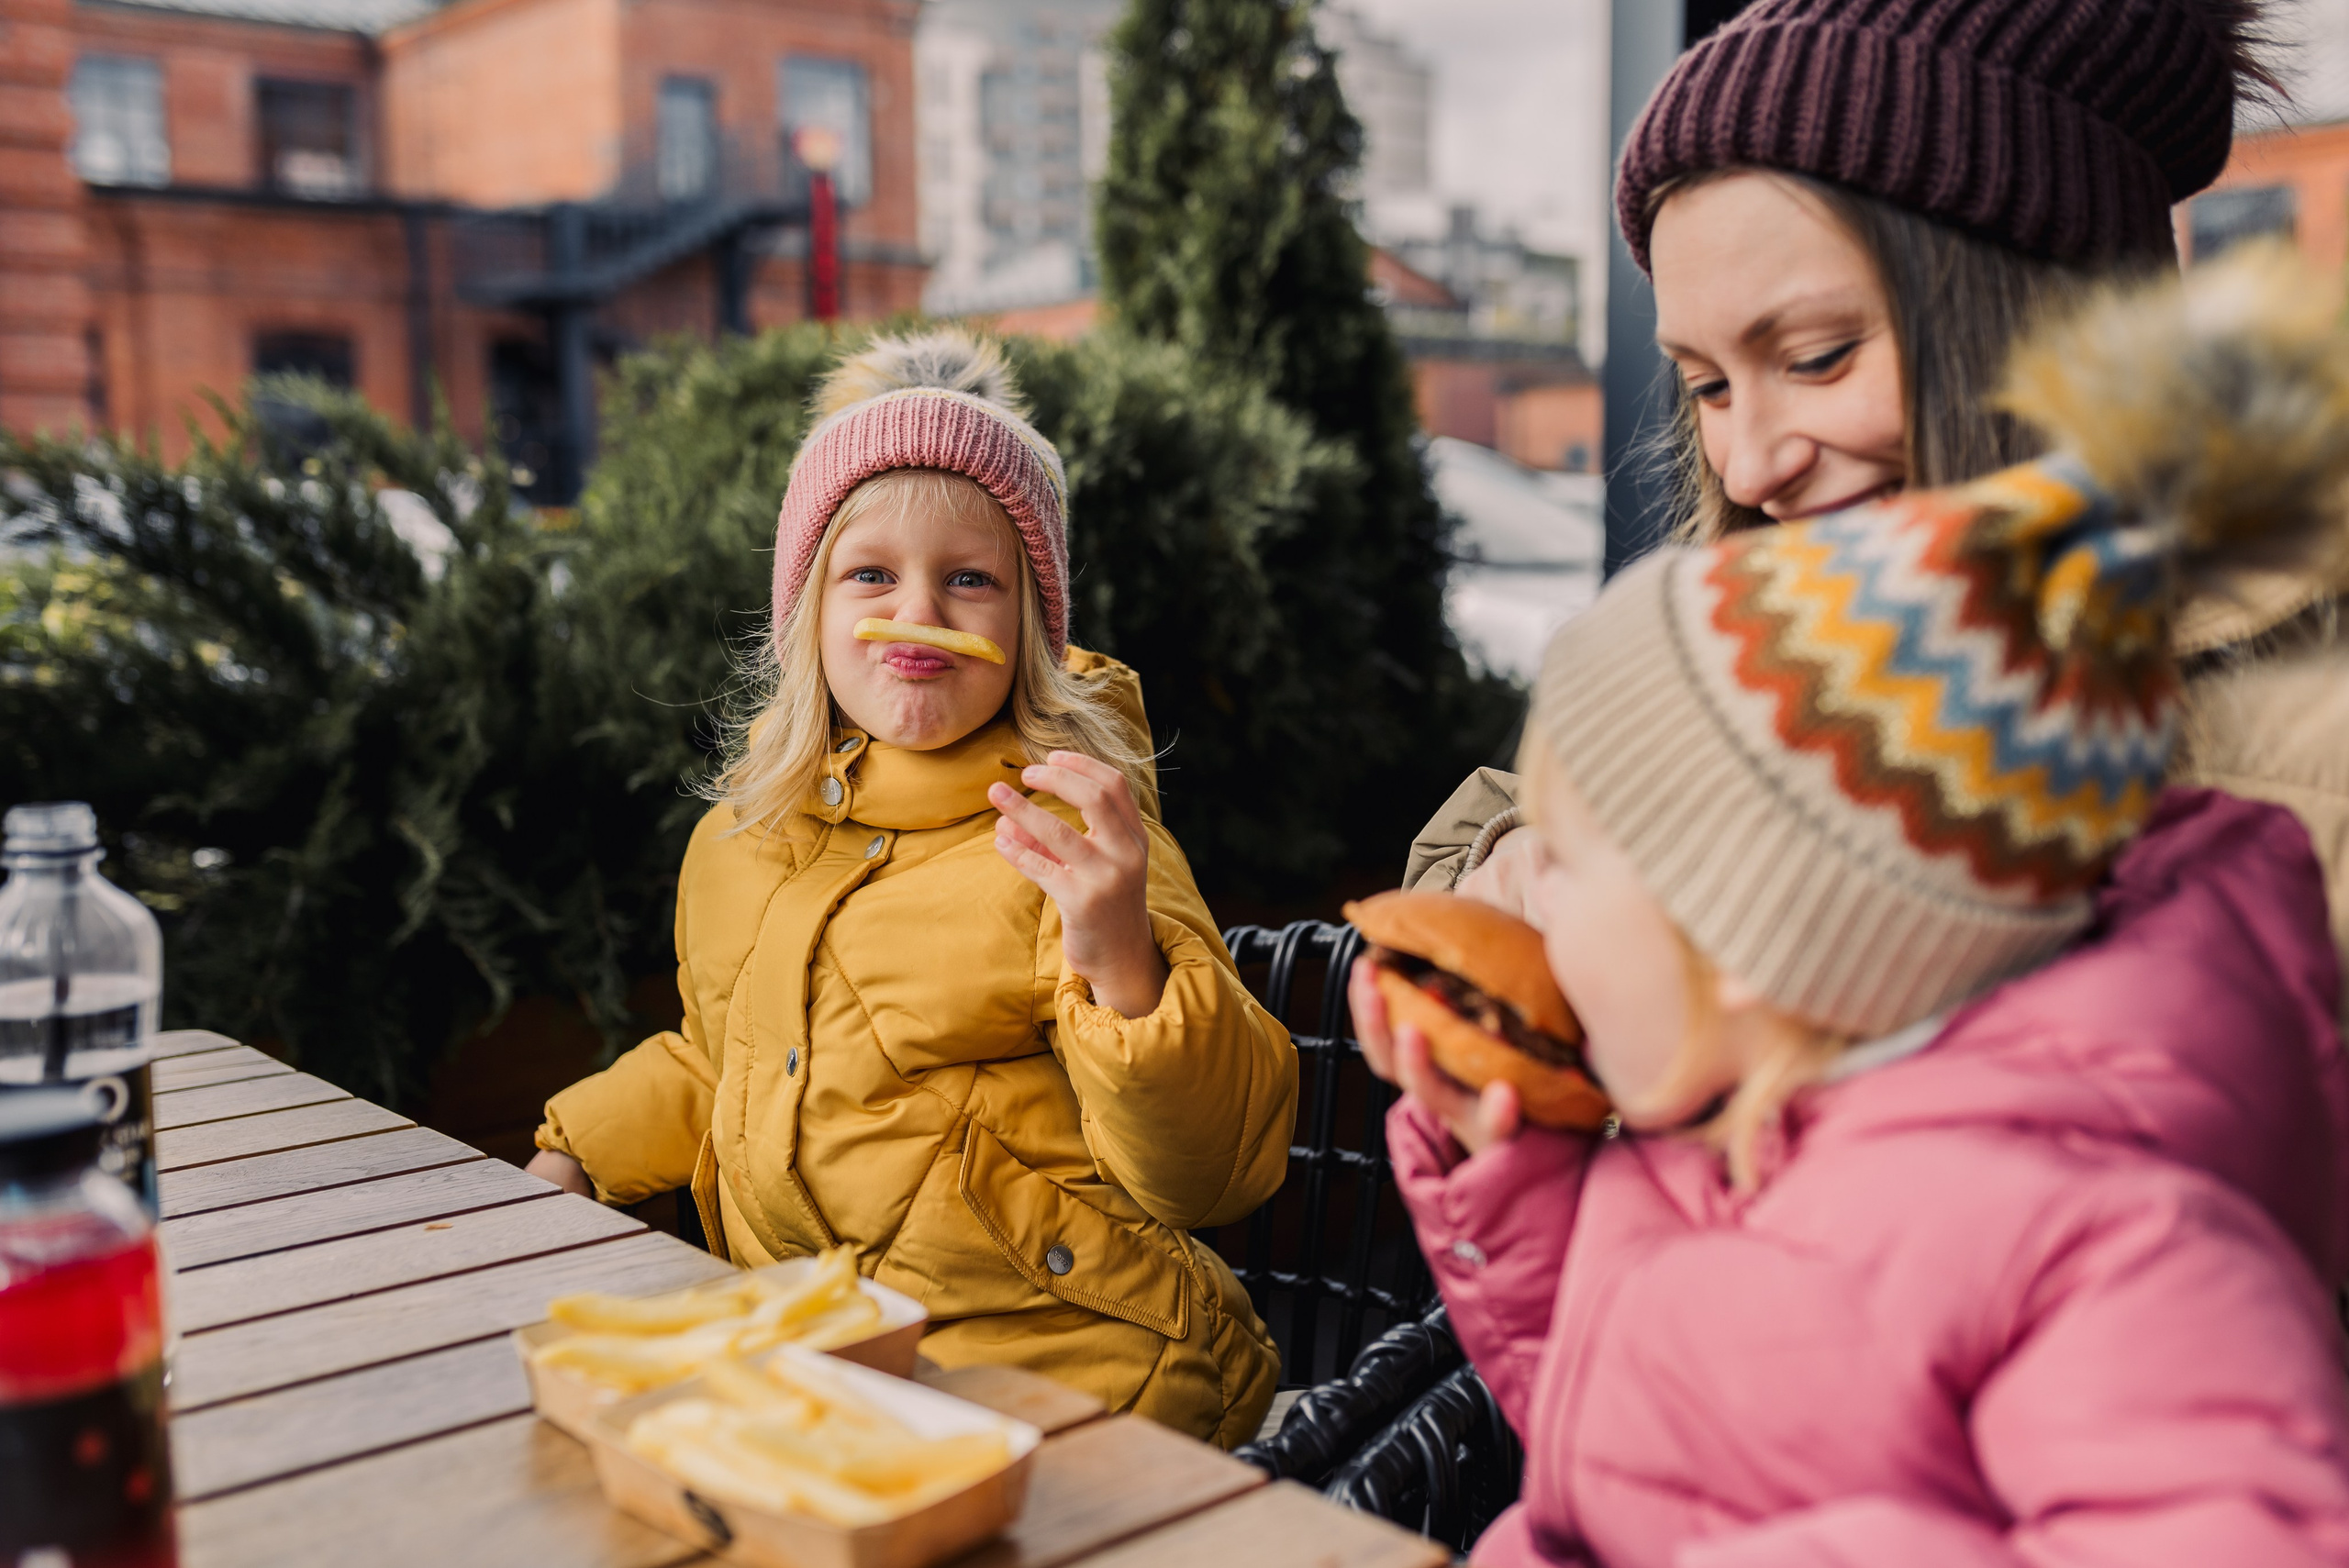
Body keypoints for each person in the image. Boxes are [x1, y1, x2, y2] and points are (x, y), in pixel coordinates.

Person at [1354, 250, 2349, 1564]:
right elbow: (1644, 1447)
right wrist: (1509, 1166)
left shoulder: (2098, 1241)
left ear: (1748, 933)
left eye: (1573, 860)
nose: (1530, 885)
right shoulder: (1730, 1136)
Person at [1408, 0, 2349, 1029]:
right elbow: (1535, 801)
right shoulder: (1781, 642)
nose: (1752, 465)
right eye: (1708, 387)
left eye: (1815, 358)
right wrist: (1511, 874)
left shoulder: (2299, 771)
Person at [523, 329, 1295, 1446]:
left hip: (1096, 1395)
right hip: (849, 1386)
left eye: (969, 578)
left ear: (1030, 622)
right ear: (808, 612)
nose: (918, 610)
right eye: (872, 573)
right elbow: (726, 1054)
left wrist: (1124, 958)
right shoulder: (742, 838)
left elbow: (1222, 1171)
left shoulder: (1072, 833)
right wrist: (575, 1151)